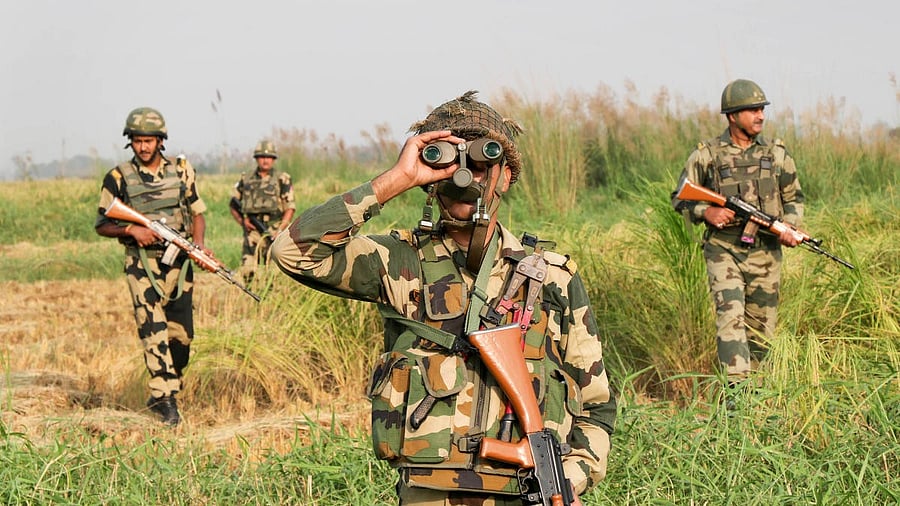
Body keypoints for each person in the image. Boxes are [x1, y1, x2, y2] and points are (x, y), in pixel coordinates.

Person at [271, 91, 615, 505]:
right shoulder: (398, 261)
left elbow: (596, 406)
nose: (462, 176)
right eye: (443, 160)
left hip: (529, 492)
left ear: (506, 176)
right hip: (428, 494)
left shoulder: (552, 278)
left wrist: (568, 480)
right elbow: (292, 253)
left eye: (481, 162)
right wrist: (396, 180)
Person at [671, 79, 805, 402]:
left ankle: (757, 402)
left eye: (762, 109)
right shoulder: (707, 155)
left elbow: (795, 199)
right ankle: (737, 402)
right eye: (753, 109)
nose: (760, 115)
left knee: (761, 332)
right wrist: (708, 212)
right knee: (731, 322)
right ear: (732, 116)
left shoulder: (777, 155)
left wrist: (789, 227)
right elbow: (679, 197)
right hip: (724, 250)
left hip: (767, 253)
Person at [95, 107, 209, 426]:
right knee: (152, 328)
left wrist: (196, 245)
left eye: (150, 141)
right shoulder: (117, 177)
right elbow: (102, 223)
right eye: (138, 141)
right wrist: (131, 230)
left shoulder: (183, 171)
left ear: (161, 141)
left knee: (181, 335)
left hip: (179, 261)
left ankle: (171, 382)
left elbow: (197, 213)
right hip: (141, 262)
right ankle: (163, 398)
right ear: (130, 142)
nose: (144, 147)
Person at [228, 139, 296, 281]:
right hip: (252, 231)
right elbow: (233, 203)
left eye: (269, 157)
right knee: (248, 271)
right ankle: (250, 298)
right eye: (262, 157)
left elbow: (290, 206)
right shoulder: (246, 178)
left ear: (273, 159)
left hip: (274, 229)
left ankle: (270, 299)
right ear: (256, 159)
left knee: (274, 273)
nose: (266, 160)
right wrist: (243, 221)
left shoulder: (282, 178)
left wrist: (281, 228)